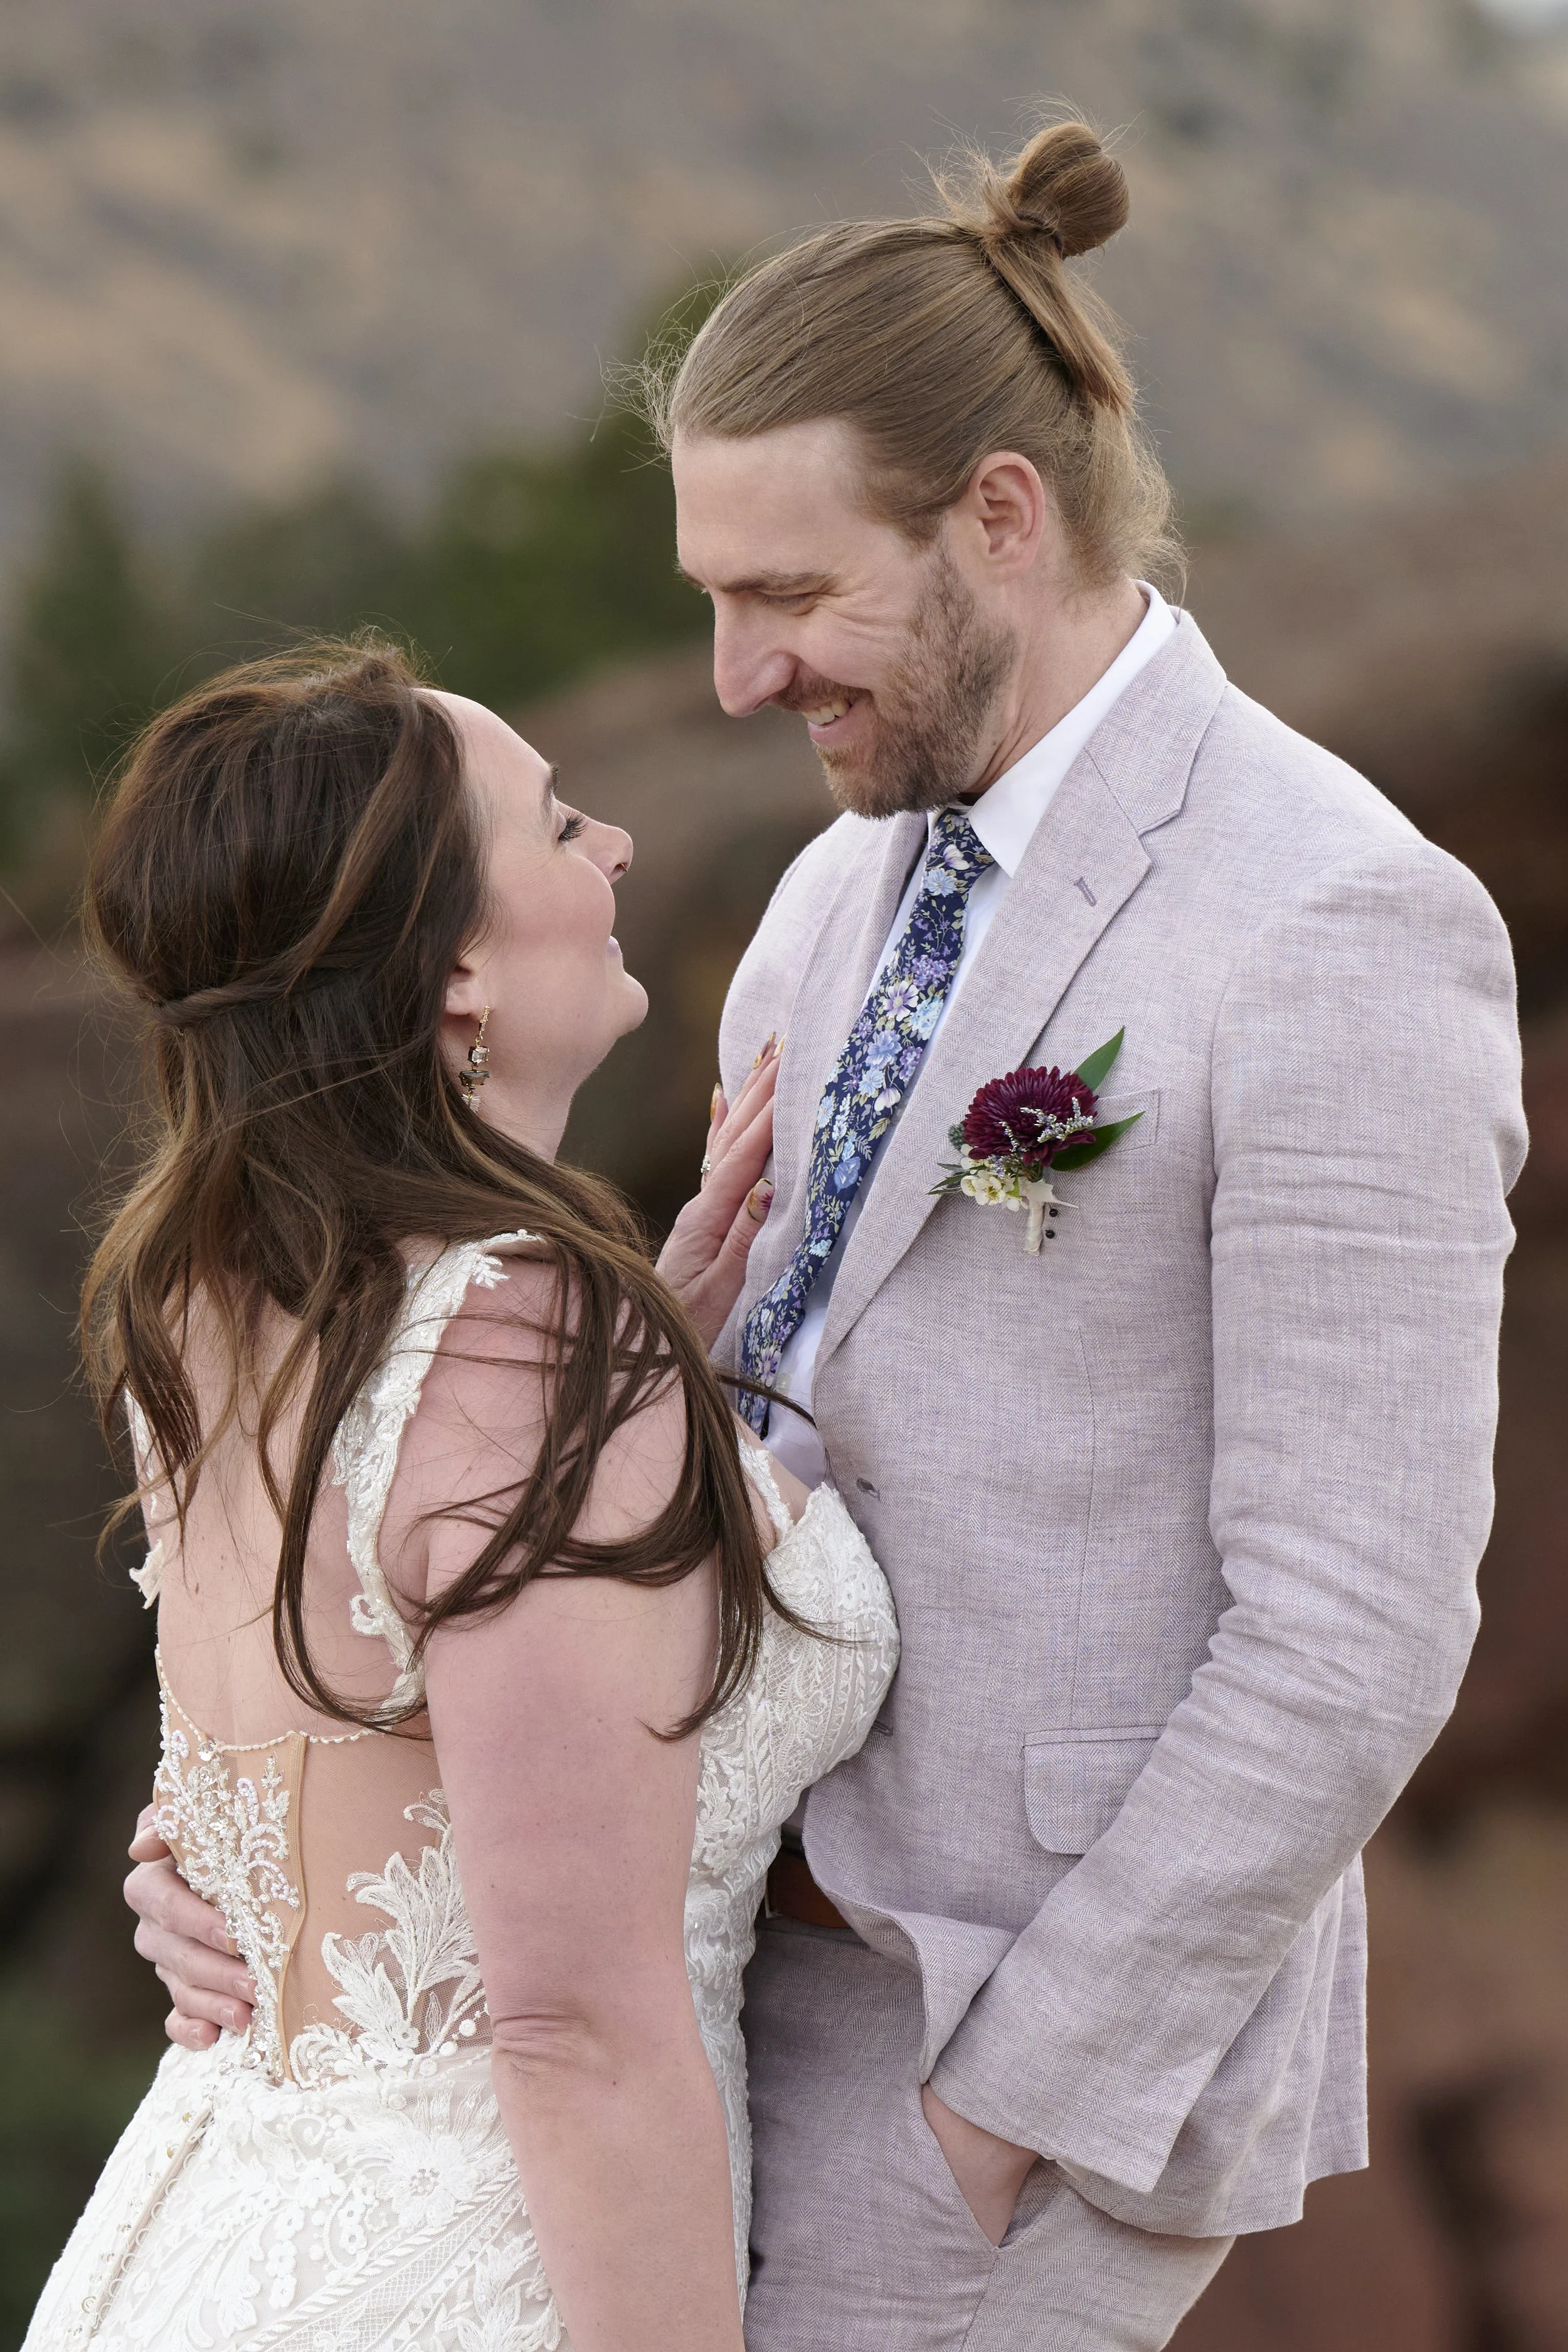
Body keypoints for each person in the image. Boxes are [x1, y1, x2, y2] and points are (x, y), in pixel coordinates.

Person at [130, 114, 1527, 2352]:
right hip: (690, 1963)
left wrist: (1015, 2097)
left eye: (785, 595)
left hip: (983, 2046)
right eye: (709, 596)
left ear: (999, 517)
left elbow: (1354, 1623)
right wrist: (267, 1852)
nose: (730, 678)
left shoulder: (1337, 924)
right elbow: (680, 1463)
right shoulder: (823, 894)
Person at [26, 643, 898, 2352]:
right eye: (560, 824)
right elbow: (574, 2024)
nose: (623, 845)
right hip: (472, 2275)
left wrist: (658, 1399)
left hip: (204, 2239)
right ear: (452, 983)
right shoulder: (526, 1355)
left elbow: (313, 1770)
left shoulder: (214, 1307)